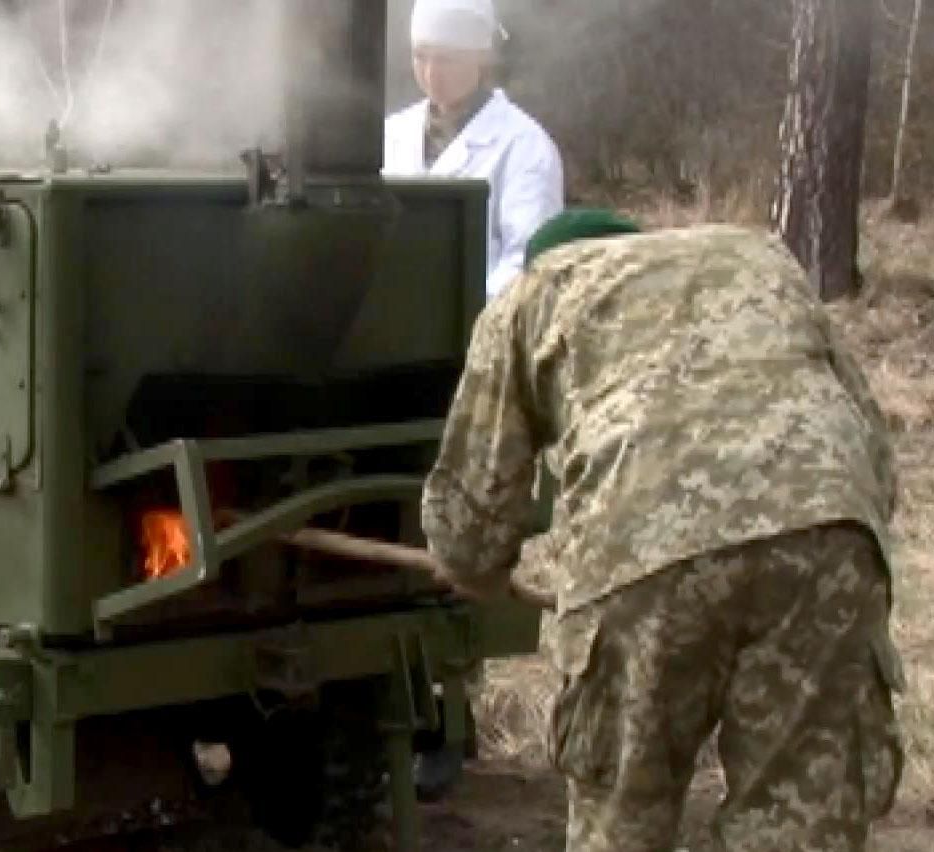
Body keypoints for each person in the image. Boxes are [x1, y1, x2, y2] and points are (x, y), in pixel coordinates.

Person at [419, 209, 905, 851]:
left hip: (642, 549)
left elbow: (469, 525)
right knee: (799, 825)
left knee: (623, 818)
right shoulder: (757, 257)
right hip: (827, 528)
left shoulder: (532, 293)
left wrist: (471, 569)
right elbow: (875, 454)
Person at [383, 0, 563, 300]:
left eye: (445, 59)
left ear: (482, 58)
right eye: (420, 56)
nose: (430, 73)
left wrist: (467, 313)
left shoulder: (525, 147)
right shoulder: (392, 134)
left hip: (479, 332)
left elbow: (530, 261)